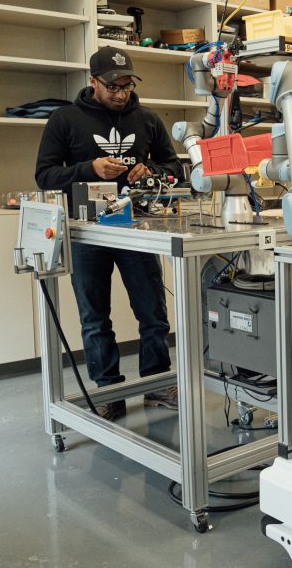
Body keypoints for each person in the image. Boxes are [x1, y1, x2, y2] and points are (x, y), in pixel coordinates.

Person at [36, 46, 182, 421]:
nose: (121, 94)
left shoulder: (147, 119)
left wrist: (149, 170)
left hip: (138, 228)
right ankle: (108, 389)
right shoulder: (64, 119)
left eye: (127, 86)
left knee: (152, 311)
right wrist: (88, 168)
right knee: (95, 315)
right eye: (112, 86)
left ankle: (156, 383)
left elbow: (174, 168)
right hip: (88, 233)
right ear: (93, 82)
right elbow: (45, 174)